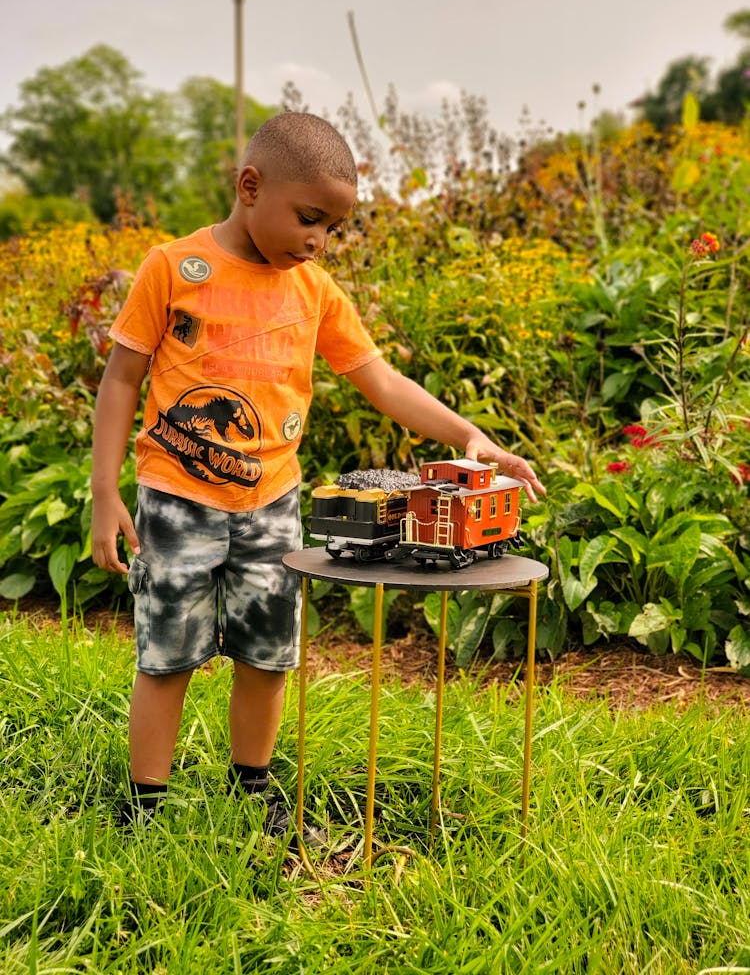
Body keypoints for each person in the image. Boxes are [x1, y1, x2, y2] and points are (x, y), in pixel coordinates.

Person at [91, 111, 545, 837]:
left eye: (332, 228)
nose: (319, 241)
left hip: (273, 503)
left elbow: (382, 380)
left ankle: (253, 789)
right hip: (177, 499)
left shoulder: (315, 292)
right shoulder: (173, 267)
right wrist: (106, 492)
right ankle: (145, 807)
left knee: (269, 657)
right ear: (249, 186)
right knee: (168, 656)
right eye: (310, 219)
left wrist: (469, 437)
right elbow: (120, 381)